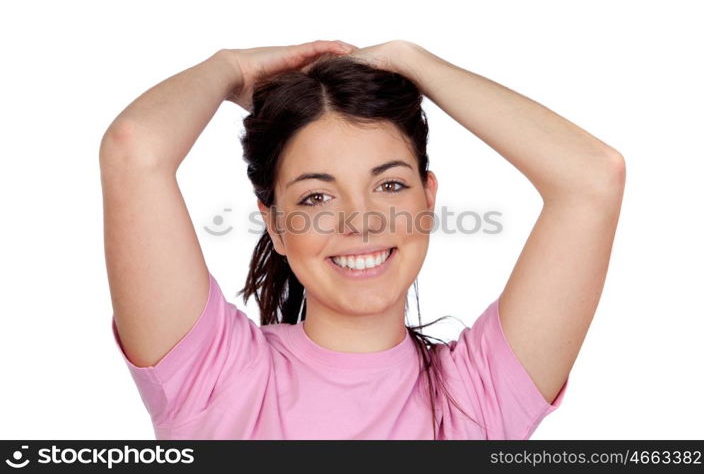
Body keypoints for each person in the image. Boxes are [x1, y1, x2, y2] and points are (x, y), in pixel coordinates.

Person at [100, 40, 625, 440]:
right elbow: (134, 150)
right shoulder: (211, 375)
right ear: (276, 225)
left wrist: (415, 63)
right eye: (316, 198)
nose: (361, 222)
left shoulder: (480, 395)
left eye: (390, 185)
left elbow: (593, 178)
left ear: (428, 197)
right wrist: (230, 69)